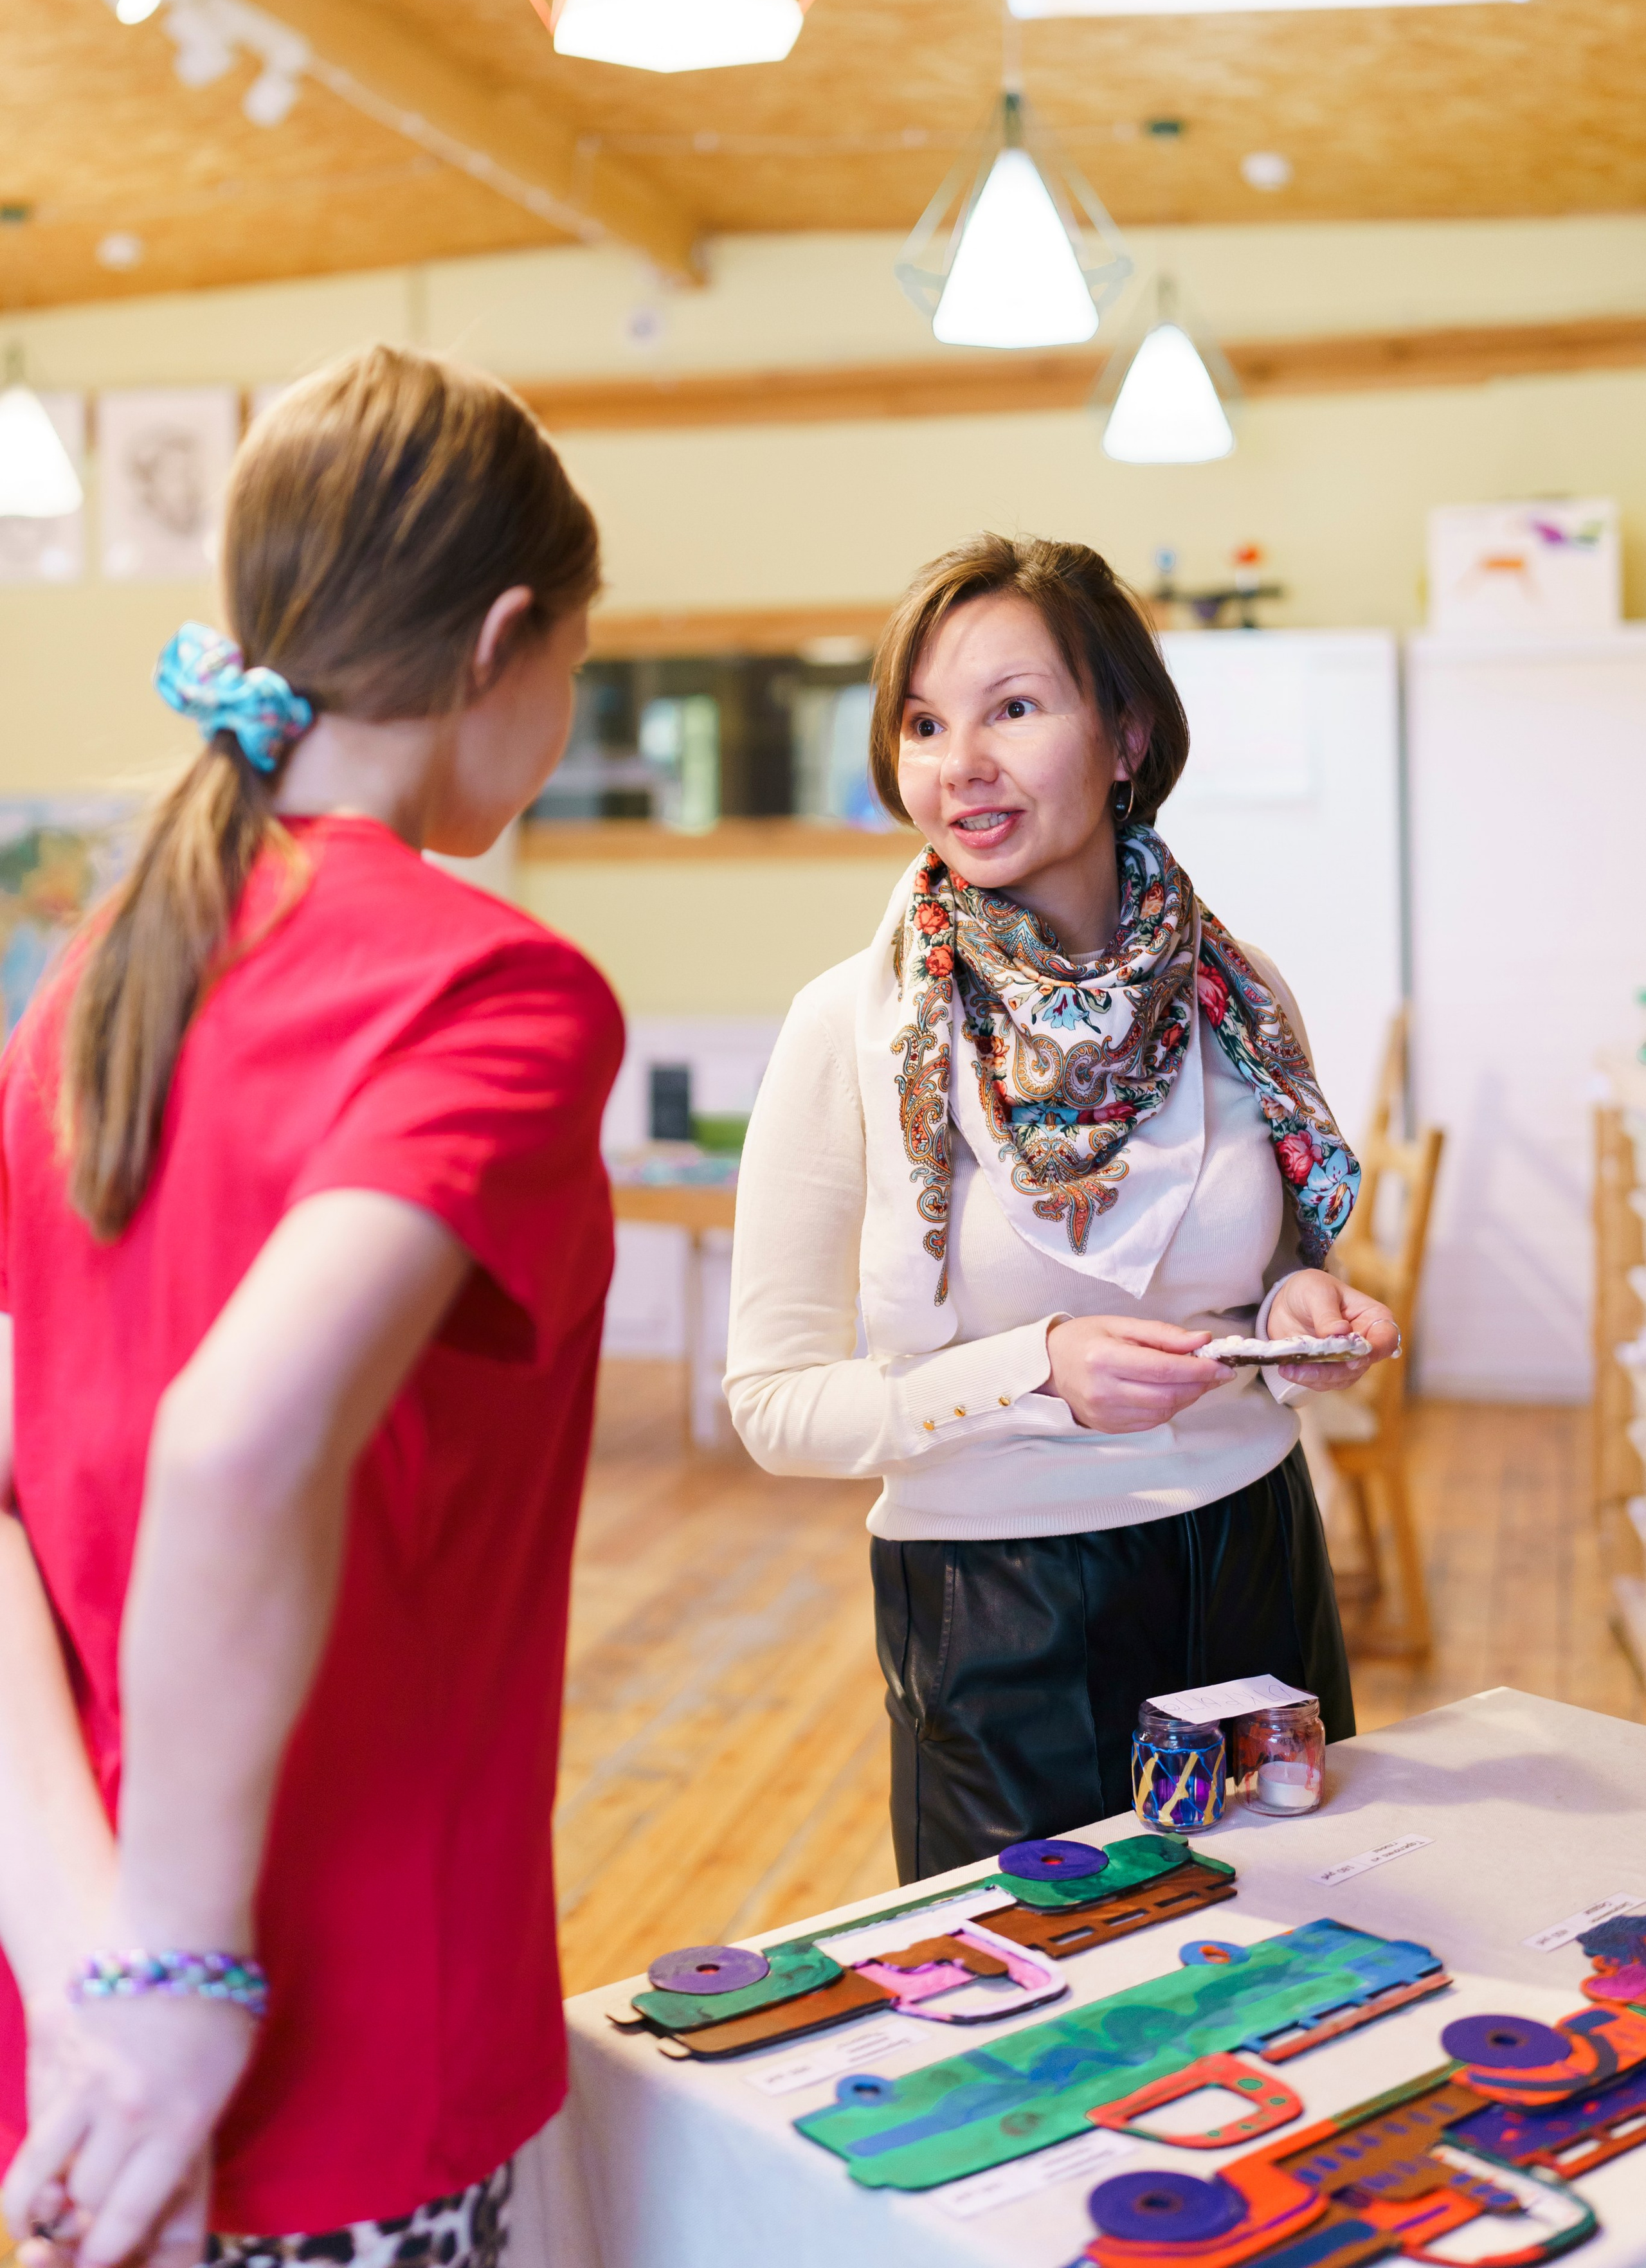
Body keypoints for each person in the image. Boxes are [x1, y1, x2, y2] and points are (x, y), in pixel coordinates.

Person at [0, 347, 621, 2268]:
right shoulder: (493, 991)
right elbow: (236, 1437)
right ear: (501, 639)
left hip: (93, 2051)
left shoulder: (99, 978)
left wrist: (95, 1955)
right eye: (577, 659)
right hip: (337, 2036)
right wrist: (185, 1971)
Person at [725, 534, 1400, 1883]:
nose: (955, 762)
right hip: (997, 1604)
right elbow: (773, 1405)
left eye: (1011, 707)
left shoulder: (1235, 993)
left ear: (1126, 732)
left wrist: (1296, 1308)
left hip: (1252, 1551)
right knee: (1043, 2025)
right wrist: (1032, 1373)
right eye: (922, 721)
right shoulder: (848, 1029)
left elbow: (1268, 1275)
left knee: (1300, 1980)